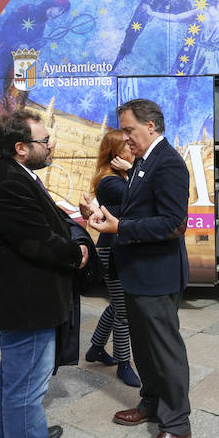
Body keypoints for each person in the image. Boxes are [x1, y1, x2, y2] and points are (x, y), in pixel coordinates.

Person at [0, 109, 88, 438]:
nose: (50, 144)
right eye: (44, 141)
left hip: (19, 299)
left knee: (14, 379)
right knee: (26, 386)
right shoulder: (9, 182)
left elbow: (44, 222)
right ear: (21, 148)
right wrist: (78, 254)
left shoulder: (15, 175)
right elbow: (37, 242)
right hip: (25, 304)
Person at [85, 98, 192, 438]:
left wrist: (121, 227)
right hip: (135, 273)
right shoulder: (144, 163)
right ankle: (151, 401)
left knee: (165, 350)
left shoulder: (170, 164)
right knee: (144, 348)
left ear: (151, 126)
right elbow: (135, 207)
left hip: (157, 276)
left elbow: (174, 224)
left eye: (129, 130)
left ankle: (177, 424)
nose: (125, 138)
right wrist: (104, 216)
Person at [83, 129, 141, 388]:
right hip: (112, 249)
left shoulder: (119, 178)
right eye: (128, 146)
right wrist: (134, 168)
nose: (133, 148)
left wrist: (130, 170)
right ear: (117, 152)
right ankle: (123, 363)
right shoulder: (110, 181)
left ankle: (96, 348)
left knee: (117, 305)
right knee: (124, 310)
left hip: (117, 247)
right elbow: (139, 196)